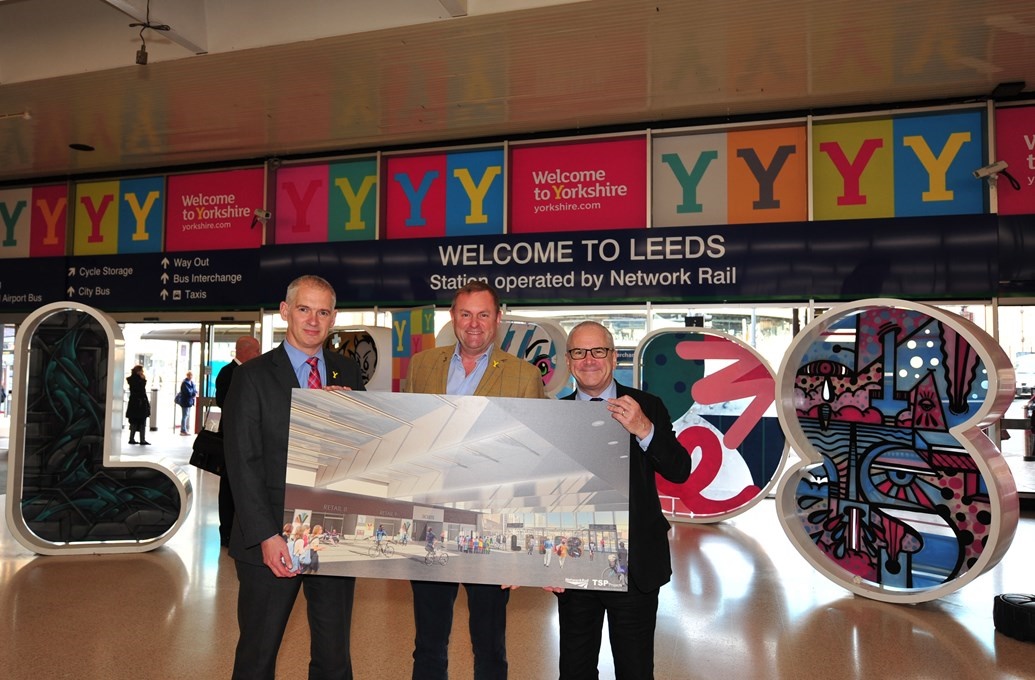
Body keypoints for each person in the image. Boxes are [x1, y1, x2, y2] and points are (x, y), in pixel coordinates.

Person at [223, 274, 364, 680]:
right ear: (286, 312)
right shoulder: (253, 377)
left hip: (332, 537)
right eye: (304, 309)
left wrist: (353, 419)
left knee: (334, 657)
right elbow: (242, 462)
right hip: (269, 541)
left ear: (333, 317)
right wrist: (267, 535)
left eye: (323, 312)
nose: (313, 321)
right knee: (257, 654)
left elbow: (359, 452)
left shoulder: (348, 373)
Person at [405, 280, 545, 680]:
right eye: (465, 314)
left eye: (484, 314)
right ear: (453, 317)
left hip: (493, 530)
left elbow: (534, 463)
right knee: (428, 643)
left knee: (490, 645)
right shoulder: (423, 365)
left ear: (498, 318)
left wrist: (522, 549)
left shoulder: (523, 376)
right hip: (430, 523)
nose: (474, 324)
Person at [555, 320, 692, 680]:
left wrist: (645, 429)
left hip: (635, 567)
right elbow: (547, 496)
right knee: (574, 669)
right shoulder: (554, 415)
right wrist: (543, 562)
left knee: (634, 669)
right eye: (579, 352)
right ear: (568, 361)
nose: (589, 360)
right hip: (575, 567)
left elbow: (680, 470)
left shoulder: (647, 406)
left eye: (598, 351)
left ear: (614, 357)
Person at [215, 336, 262, 547]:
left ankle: (239, 530)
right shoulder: (228, 372)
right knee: (228, 486)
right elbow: (224, 402)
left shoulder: (253, 372)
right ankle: (226, 532)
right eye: (257, 350)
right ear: (245, 351)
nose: (259, 354)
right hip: (231, 439)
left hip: (249, 438)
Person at [125, 364, 151, 445]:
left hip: (134, 404)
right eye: (142, 371)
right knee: (142, 422)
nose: (143, 372)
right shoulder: (138, 380)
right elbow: (140, 390)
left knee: (134, 422)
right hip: (140, 404)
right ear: (138, 371)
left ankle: (132, 438)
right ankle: (142, 440)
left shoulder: (131, 380)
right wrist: (143, 380)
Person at [177, 370, 198, 435]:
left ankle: (184, 429)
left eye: (191, 375)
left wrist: (194, 392)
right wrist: (194, 393)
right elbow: (188, 392)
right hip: (185, 402)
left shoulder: (191, 382)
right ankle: (183, 430)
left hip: (189, 402)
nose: (190, 376)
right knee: (185, 416)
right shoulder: (185, 383)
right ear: (187, 375)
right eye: (189, 375)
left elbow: (194, 391)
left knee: (186, 415)